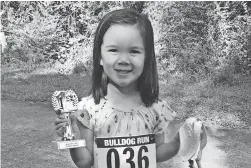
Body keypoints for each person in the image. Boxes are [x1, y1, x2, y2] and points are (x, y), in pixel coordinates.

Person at [55, 8, 206, 168]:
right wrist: (71, 136)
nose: (124, 60)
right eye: (113, 50)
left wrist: (178, 141)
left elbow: (158, 153)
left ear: (146, 57)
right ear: (100, 56)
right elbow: (84, 162)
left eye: (134, 51)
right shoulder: (88, 110)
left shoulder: (157, 108)